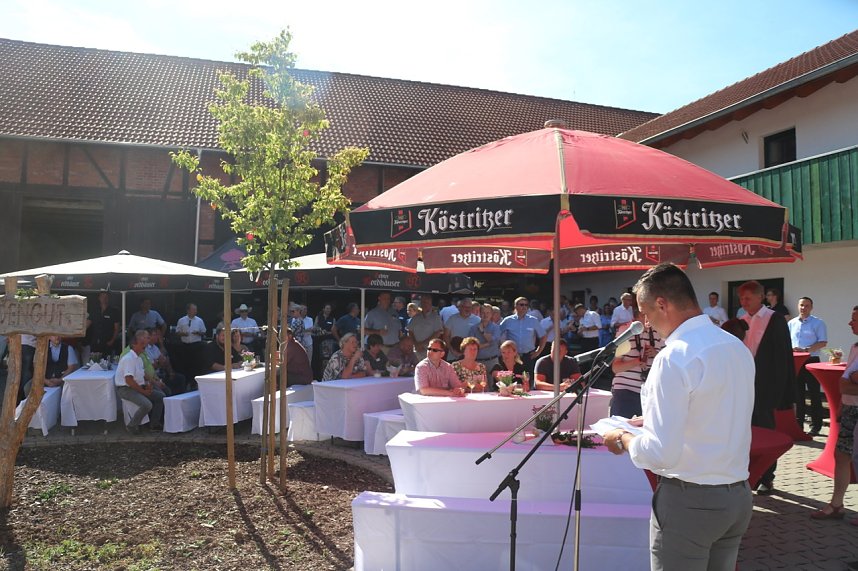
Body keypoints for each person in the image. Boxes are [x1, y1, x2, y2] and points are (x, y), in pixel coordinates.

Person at [604, 263, 754, 570]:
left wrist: (622, 437)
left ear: (662, 304)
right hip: (737, 494)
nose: (644, 322)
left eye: (645, 312)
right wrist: (654, 421)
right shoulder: (735, 346)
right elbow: (714, 410)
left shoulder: (674, 357)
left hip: (691, 501)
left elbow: (662, 454)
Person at [739, 279, 795, 494]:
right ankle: (747, 473)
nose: (744, 302)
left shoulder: (775, 319)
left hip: (765, 388)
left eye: (747, 298)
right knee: (745, 431)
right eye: (741, 299)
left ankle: (767, 476)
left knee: (764, 430)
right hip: (744, 387)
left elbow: (781, 357)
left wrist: (779, 391)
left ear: (760, 297)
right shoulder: (741, 320)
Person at [809, 305, 858, 522]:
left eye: (854, 319)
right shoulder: (855, 346)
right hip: (850, 408)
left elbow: (846, 383)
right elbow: (844, 384)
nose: (850, 323)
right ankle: (836, 504)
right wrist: (845, 391)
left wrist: (847, 384)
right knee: (842, 455)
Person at [610, 316, 664, 418]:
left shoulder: (658, 332)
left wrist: (656, 354)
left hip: (649, 393)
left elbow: (666, 363)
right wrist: (636, 361)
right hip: (625, 391)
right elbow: (615, 368)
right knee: (619, 431)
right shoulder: (626, 331)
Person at [789, 296, 828, 435]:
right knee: (798, 394)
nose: (803, 308)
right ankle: (798, 425)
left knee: (814, 393)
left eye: (806, 305)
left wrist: (806, 350)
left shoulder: (818, 323)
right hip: (795, 361)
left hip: (811, 360)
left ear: (811, 307)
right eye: (801, 305)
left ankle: (816, 425)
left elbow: (823, 342)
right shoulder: (792, 323)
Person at [115, 330, 166, 433]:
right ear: (134, 345)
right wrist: (143, 391)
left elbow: (142, 375)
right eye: (142, 344)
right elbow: (129, 380)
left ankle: (154, 424)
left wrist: (148, 385)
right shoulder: (129, 358)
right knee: (147, 404)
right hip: (125, 389)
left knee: (160, 396)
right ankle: (132, 425)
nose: (145, 346)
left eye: (145, 344)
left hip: (135, 386)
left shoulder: (138, 358)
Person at [499, 296, 546, 373]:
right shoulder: (508, 320)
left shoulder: (533, 320)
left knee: (527, 381)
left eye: (526, 305)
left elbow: (543, 336)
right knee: (511, 380)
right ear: (515, 306)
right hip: (512, 356)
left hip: (528, 356)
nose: (524, 307)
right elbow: (498, 334)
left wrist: (538, 351)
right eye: (521, 304)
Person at [145, 327, 186, 395]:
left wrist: (170, 372)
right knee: (168, 388)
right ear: (149, 337)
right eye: (155, 335)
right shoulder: (145, 349)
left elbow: (165, 361)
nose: (157, 337)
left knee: (180, 378)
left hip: (162, 372)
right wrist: (159, 362)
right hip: (153, 376)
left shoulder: (155, 348)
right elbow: (153, 366)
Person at [86, 290, 121, 357]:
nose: (104, 299)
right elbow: (87, 324)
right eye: (102, 297)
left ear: (109, 298)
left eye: (106, 297)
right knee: (94, 361)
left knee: (106, 361)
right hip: (95, 341)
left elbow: (117, 328)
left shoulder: (114, 311)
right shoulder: (94, 310)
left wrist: (112, 340)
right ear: (99, 298)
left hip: (107, 341)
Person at [409, 294, 444, 360]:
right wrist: (416, 344)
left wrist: (422, 344)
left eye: (426, 302)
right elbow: (410, 331)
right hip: (416, 351)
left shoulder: (436, 317)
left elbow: (437, 333)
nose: (424, 304)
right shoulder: (416, 317)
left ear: (430, 303)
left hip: (429, 351)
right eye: (423, 302)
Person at [469, 303, 501, 370]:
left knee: (493, 380)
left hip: (492, 362)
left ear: (491, 314)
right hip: (477, 361)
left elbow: (493, 341)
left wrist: (482, 331)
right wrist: (487, 344)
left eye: (488, 313)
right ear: (480, 314)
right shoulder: (473, 328)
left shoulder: (496, 328)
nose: (485, 315)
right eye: (483, 312)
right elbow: (472, 345)